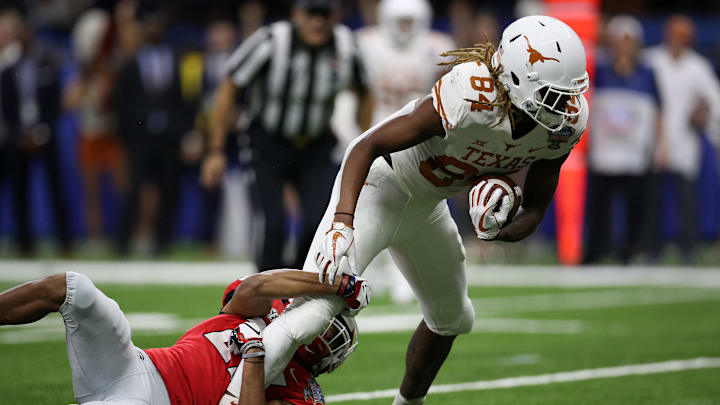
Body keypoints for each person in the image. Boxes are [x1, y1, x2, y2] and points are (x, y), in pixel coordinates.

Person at [259, 15, 590, 405]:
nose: (566, 107)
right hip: (381, 187)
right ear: (516, 79)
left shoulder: (563, 124)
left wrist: (499, 228)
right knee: (316, 312)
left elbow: (535, 210)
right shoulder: (471, 95)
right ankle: (226, 384)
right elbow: (367, 145)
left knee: (453, 317)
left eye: (569, 95)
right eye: (554, 95)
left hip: (428, 206)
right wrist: (342, 222)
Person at [0, 269, 370, 404]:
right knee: (72, 288)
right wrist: (333, 283)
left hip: (160, 402)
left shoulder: (300, 390)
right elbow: (258, 283)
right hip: (136, 363)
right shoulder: (254, 310)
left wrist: (256, 357)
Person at [201, 0, 372, 271]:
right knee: (273, 223)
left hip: (316, 145)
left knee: (319, 222)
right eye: (311, 14)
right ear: (296, 14)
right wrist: (215, 150)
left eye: (324, 14)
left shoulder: (346, 45)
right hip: (266, 143)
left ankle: (296, 289)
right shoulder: (270, 41)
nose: (318, 22)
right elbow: (229, 86)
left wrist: (365, 144)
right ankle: (266, 294)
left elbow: (365, 91)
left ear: (336, 16)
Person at [354, 0, 454, 303]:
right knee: (370, 202)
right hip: (373, 129)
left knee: (412, 204)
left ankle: (404, 271)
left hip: (417, 135)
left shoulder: (438, 45)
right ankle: (375, 268)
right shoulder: (365, 43)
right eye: (400, 20)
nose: (405, 27)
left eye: (411, 20)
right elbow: (353, 93)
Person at [583, 16, 662, 264]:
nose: (623, 47)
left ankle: (630, 251)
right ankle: (596, 250)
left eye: (628, 42)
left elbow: (659, 110)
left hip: (635, 153)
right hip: (603, 152)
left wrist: (660, 145)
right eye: (618, 41)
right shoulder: (598, 70)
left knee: (636, 205)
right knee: (598, 206)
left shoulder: (648, 74)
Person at [643, 15, 720, 263]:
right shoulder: (651, 61)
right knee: (652, 201)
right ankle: (652, 250)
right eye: (676, 34)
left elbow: (714, 101)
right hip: (653, 142)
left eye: (684, 36)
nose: (680, 40)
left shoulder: (698, 66)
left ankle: (688, 250)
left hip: (685, 142)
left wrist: (704, 114)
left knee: (686, 201)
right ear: (667, 34)